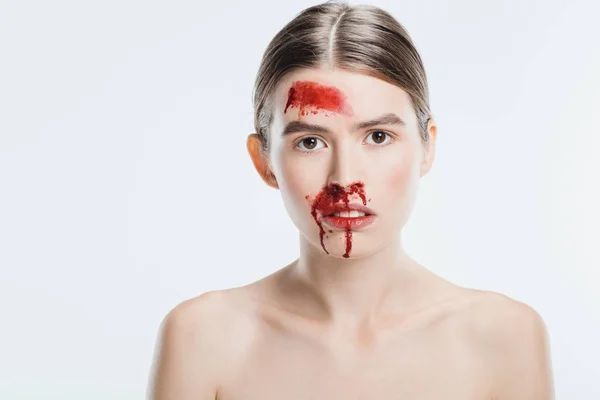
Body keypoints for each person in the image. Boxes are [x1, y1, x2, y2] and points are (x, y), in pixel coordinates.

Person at [147, 1, 555, 399]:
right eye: (310, 142)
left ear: (427, 147)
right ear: (264, 161)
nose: (345, 180)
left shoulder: (505, 340)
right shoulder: (202, 340)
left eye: (378, 137)